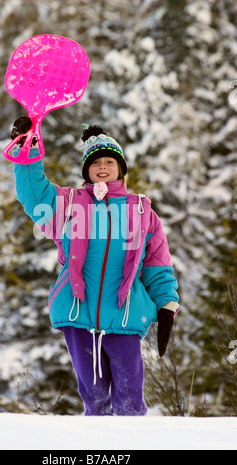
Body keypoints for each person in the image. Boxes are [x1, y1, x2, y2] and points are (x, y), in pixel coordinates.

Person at [11, 117, 180, 416]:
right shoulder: (69, 204)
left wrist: (166, 305)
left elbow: (157, 265)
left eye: (109, 162)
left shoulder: (142, 211)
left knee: (130, 396)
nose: (102, 166)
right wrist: (28, 152)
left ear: (121, 169)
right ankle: (95, 447)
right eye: (95, 162)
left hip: (125, 314)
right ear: (87, 171)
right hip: (78, 312)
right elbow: (34, 194)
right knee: (93, 395)